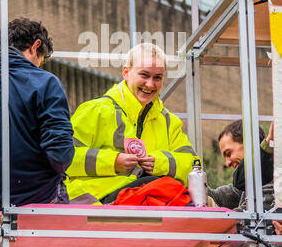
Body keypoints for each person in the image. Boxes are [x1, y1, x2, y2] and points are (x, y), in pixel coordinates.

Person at [0, 17, 75, 247]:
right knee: (61, 193)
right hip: (34, 201)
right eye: (41, 57)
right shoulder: (45, 83)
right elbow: (60, 155)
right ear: (35, 47)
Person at [65, 42, 200, 206]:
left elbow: (194, 167)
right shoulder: (94, 110)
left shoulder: (169, 122)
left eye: (157, 77)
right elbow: (62, 158)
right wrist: (113, 162)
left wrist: (160, 163)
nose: (150, 84)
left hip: (147, 198)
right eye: (144, 75)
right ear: (126, 72)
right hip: (97, 201)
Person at [208, 119, 278, 247]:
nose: (226, 163)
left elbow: (247, 212)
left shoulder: (273, 174)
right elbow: (222, 195)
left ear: (249, 143)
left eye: (228, 153)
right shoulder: (247, 184)